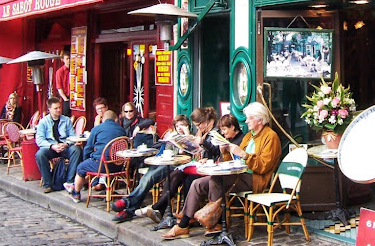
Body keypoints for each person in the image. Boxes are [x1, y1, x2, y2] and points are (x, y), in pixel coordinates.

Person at [162, 102, 281, 240]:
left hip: (254, 178)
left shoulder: (270, 137)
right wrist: (225, 151)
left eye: (249, 118)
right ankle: (183, 225)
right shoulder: (250, 136)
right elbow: (233, 159)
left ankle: (216, 224)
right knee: (197, 184)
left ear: (260, 119)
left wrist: (244, 155)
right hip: (238, 174)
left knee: (216, 179)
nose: (246, 121)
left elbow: (263, 166)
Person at [136, 111, 244, 225]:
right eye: (196, 125)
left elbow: (217, 153)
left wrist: (203, 146)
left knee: (190, 179)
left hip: (214, 168)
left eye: (199, 125)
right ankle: (162, 210)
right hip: (204, 165)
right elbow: (218, 154)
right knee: (175, 174)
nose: (198, 127)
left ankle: (184, 215)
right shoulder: (206, 133)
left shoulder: (217, 133)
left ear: (208, 122)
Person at [111, 114, 193, 222]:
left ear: (188, 125)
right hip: (165, 162)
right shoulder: (173, 136)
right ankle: (129, 209)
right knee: (146, 178)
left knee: (150, 178)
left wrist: (186, 137)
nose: (180, 128)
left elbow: (188, 154)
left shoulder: (191, 137)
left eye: (182, 125)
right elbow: (167, 151)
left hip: (176, 166)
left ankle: (128, 204)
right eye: (177, 126)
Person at [66, 109, 127, 203]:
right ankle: (76, 185)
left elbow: (88, 148)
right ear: (116, 120)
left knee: (80, 168)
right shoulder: (122, 130)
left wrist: (86, 160)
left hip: (101, 165)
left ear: (103, 119)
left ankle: (76, 193)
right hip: (118, 166)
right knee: (95, 168)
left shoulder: (97, 129)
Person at [35, 97, 82, 193]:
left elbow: (72, 136)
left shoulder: (66, 120)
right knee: (40, 154)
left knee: (76, 150)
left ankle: (70, 181)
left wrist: (66, 144)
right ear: (49, 109)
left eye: (59, 107)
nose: (59, 110)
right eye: (56, 108)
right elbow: (39, 140)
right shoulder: (43, 122)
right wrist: (52, 146)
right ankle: (48, 184)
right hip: (51, 147)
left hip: (64, 146)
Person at [55, 52, 71, 117]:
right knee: (66, 115)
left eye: (70, 58)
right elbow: (59, 86)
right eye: (67, 59)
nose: (69, 60)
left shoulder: (75, 69)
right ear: (63, 60)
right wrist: (65, 98)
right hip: (66, 96)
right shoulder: (60, 71)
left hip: (75, 96)